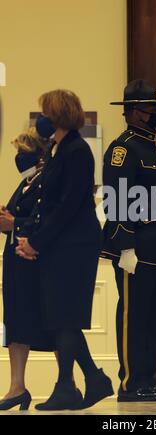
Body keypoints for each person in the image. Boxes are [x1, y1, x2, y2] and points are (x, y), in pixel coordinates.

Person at [16, 90, 113, 411]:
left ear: (57, 115)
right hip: (63, 245)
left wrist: (36, 241)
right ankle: (87, 381)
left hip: (74, 246)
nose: (41, 118)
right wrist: (33, 237)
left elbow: (69, 206)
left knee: (64, 317)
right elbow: (48, 204)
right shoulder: (60, 149)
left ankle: (69, 386)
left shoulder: (77, 151)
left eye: (45, 112)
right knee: (62, 317)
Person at [101, 79, 156, 402]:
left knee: (152, 320)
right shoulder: (124, 149)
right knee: (134, 319)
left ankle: (148, 380)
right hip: (138, 247)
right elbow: (115, 200)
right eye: (152, 110)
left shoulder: (155, 147)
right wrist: (126, 245)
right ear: (134, 113)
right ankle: (131, 383)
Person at [0, 128, 55, 411]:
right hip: (15, 263)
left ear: (40, 153)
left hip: (38, 262)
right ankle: (17, 387)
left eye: (24, 153)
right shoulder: (25, 182)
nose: (19, 159)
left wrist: (16, 222)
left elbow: (48, 220)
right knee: (16, 323)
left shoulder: (49, 180)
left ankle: (65, 384)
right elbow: (17, 215)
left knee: (51, 323)